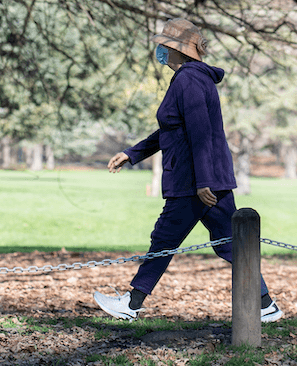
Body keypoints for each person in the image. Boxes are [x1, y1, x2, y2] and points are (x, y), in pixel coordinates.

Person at [93, 18, 283, 323]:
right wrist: (132, 154)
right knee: (229, 244)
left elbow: (200, 132)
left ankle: (131, 303)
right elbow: (172, 131)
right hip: (208, 179)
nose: (161, 51)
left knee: (164, 239)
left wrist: (203, 181)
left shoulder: (188, 80)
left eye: (164, 46)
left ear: (176, 49)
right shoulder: (192, 79)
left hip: (194, 182)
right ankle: (265, 305)